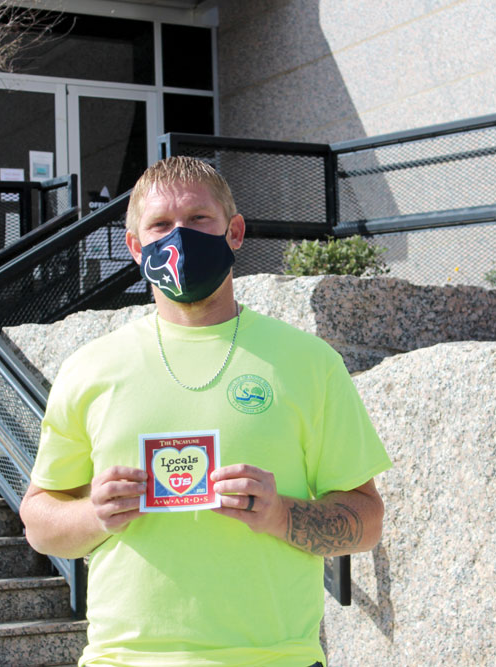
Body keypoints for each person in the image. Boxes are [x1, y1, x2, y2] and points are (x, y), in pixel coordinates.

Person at [19, 156, 392, 666]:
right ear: (135, 247)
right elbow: (39, 524)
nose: (180, 237)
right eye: (160, 225)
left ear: (234, 232)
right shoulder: (90, 370)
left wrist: (281, 514)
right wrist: (94, 514)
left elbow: (367, 520)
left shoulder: (308, 364)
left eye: (198, 220)